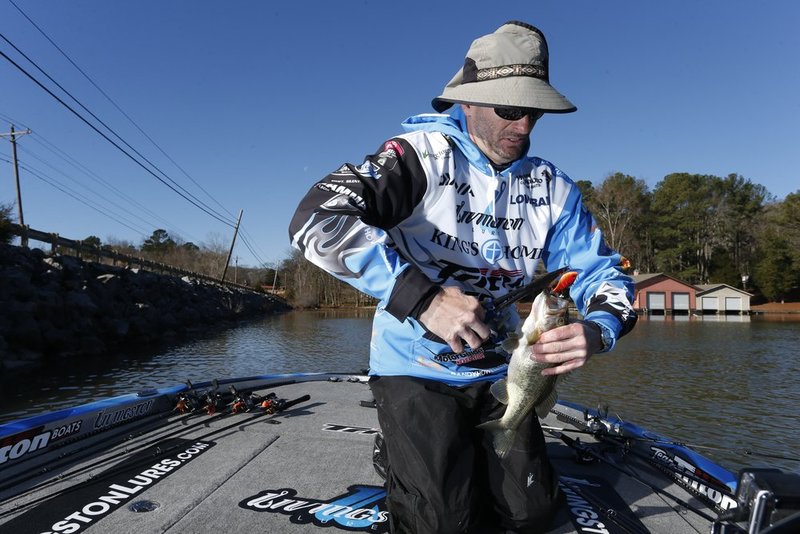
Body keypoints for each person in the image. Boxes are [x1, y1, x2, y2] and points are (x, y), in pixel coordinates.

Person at [289, 20, 637, 533]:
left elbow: (602, 271)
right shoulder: (416, 157)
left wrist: (598, 328)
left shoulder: (554, 188)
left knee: (532, 515)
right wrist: (424, 299)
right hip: (415, 369)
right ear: (468, 101)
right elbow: (314, 220)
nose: (525, 126)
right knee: (443, 524)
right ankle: (400, 446)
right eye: (511, 110)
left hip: (503, 371)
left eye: (535, 111)